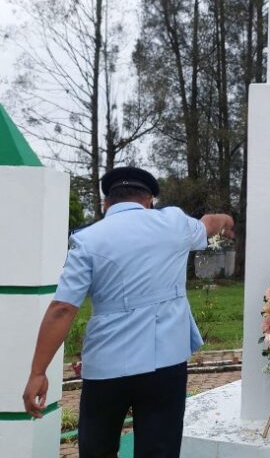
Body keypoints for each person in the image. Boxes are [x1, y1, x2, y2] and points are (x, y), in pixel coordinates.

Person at [22, 167, 235, 458]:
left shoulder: (87, 240)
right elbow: (209, 223)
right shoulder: (173, 223)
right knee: (159, 450)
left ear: (106, 204)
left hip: (107, 366)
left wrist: (37, 372)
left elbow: (62, 308)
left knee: (98, 449)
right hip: (165, 362)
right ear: (148, 200)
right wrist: (226, 220)